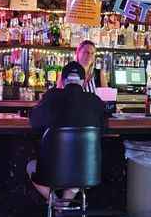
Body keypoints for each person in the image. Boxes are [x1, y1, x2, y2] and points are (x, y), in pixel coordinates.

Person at [27, 62, 107, 201]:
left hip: (51, 171)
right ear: (84, 82)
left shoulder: (51, 97)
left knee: (30, 166)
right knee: (78, 167)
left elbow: (34, 123)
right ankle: (64, 207)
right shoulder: (95, 101)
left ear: (62, 81)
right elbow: (104, 130)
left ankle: (56, 204)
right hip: (87, 171)